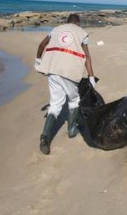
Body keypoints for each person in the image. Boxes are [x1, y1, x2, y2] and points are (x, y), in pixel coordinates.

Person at [35, 13, 96, 155]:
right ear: (78, 23)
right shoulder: (82, 33)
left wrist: (38, 61)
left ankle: (45, 136)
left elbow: (42, 44)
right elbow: (87, 56)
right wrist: (91, 76)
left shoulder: (56, 29)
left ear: (67, 22)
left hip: (53, 68)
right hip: (69, 70)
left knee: (55, 103)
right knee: (74, 99)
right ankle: (71, 129)